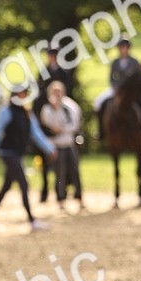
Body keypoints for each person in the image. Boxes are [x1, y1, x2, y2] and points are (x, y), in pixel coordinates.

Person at [0, 83, 57, 231]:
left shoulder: (27, 113)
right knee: (24, 184)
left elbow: (36, 134)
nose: (24, 96)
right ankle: (32, 220)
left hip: (17, 153)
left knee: (6, 186)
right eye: (21, 94)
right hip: (8, 153)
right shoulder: (5, 111)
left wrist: (50, 149)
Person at [40, 81, 86, 209]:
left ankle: (79, 197)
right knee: (59, 173)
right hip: (56, 145)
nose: (57, 95)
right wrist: (55, 109)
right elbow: (47, 125)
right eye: (54, 92)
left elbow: (74, 125)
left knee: (75, 171)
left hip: (69, 143)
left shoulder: (70, 106)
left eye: (59, 92)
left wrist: (61, 129)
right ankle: (61, 198)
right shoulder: (48, 108)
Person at [93, 38, 141, 139]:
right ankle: (101, 130)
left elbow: (139, 77)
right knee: (99, 102)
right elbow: (112, 78)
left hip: (132, 91)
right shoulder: (115, 62)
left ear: (128, 48)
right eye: (121, 47)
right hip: (117, 89)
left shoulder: (135, 62)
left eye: (125, 47)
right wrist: (116, 88)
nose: (123, 49)